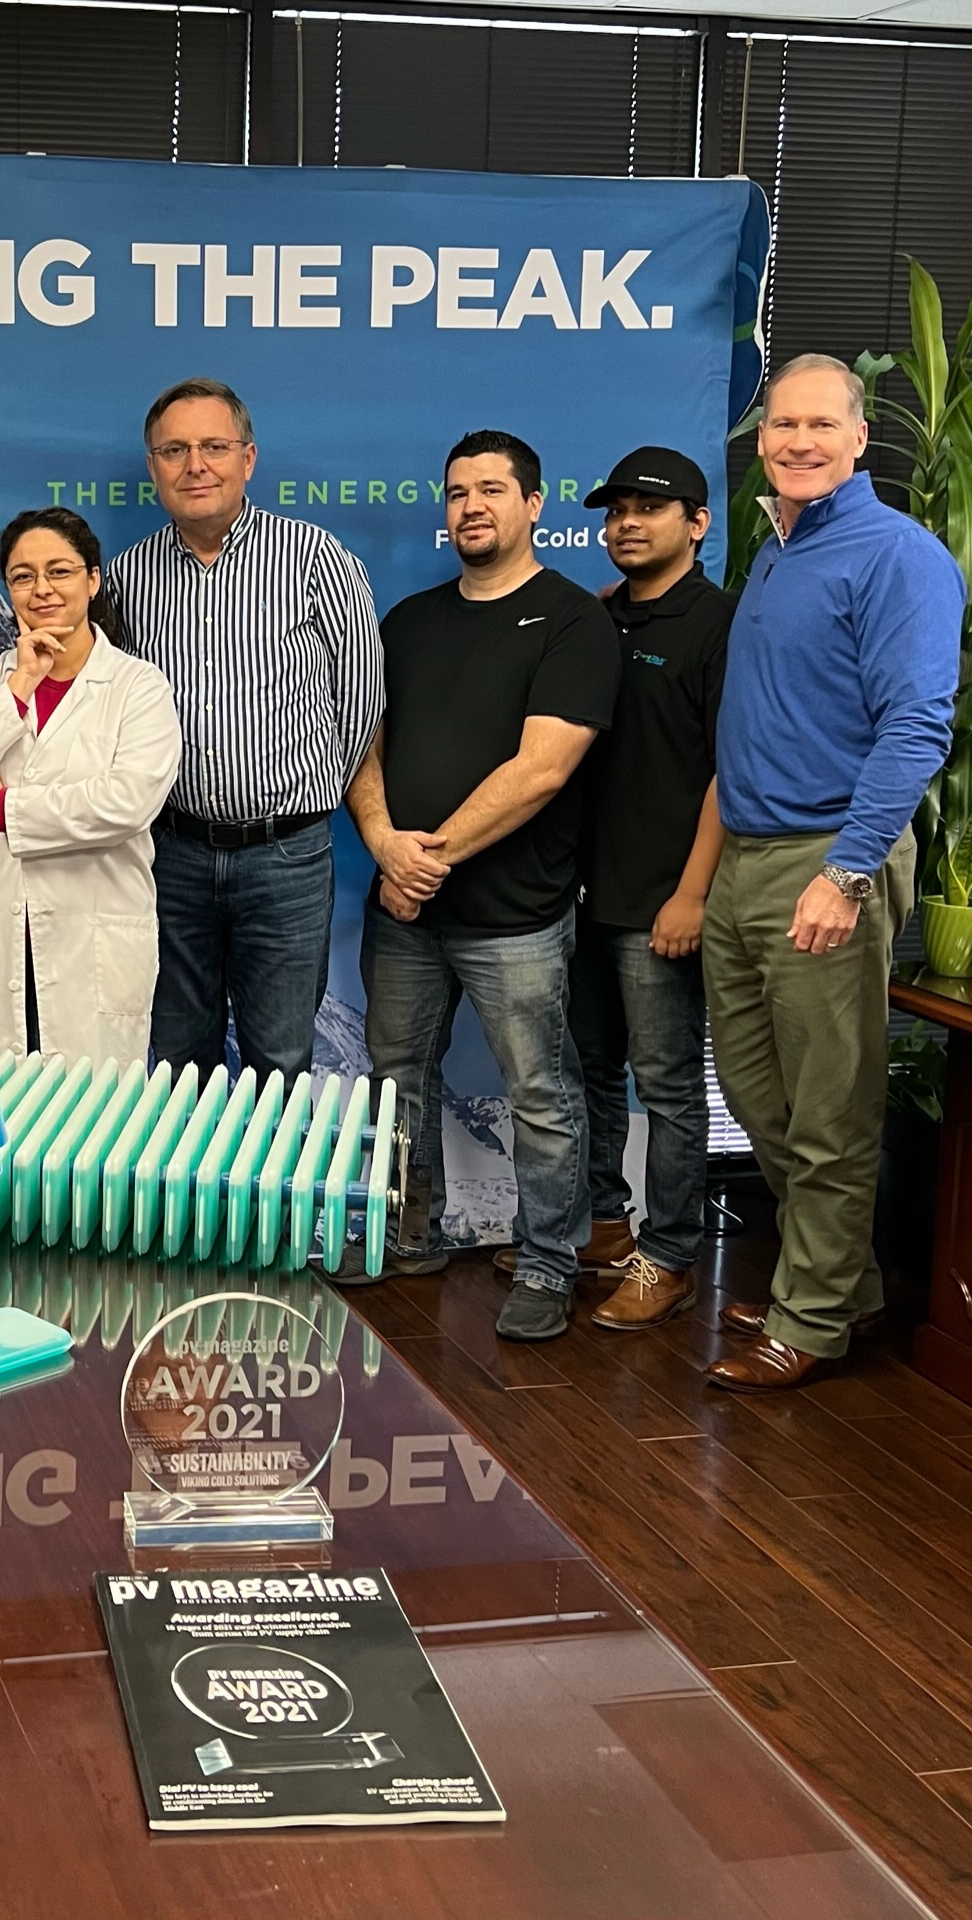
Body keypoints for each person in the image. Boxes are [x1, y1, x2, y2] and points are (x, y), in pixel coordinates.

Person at [703, 355, 961, 1392]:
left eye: (820, 424)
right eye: (782, 424)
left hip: (826, 858)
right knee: (756, 1094)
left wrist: (847, 872)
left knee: (828, 1109)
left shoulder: (897, 555)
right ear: (761, 438)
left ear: (859, 438)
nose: (798, 441)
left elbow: (916, 725)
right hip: (746, 858)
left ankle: (810, 1320)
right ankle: (842, 1282)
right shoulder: (781, 549)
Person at [348, 429, 620, 1341]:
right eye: (458, 491)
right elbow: (361, 743)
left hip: (516, 918)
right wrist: (383, 844)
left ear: (532, 505)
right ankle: (409, 1234)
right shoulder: (407, 622)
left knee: (540, 1096)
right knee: (396, 1084)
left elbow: (542, 770)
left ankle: (547, 1263)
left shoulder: (574, 622)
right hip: (403, 913)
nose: (471, 506)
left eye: (492, 490)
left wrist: (425, 859)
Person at [496, 447, 731, 1331]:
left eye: (649, 509)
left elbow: (730, 772)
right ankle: (601, 1224)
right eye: (616, 511)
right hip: (574, 896)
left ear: (696, 524)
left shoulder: (719, 623)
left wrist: (692, 894)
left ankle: (668, 1255)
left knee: (665, 1086)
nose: (627, 524)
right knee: (586, 1071)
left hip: (658, 901)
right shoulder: (591, 619)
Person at [102, 377, 382, 1080]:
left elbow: (361, 701)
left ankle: (272, 1162)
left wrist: (301, 795)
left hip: (285, 858)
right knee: (175, 1061)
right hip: (169, 857)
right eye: (174, 450)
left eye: (214, 446)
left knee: (280, 1061)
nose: (195, 465)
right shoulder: (125, 578)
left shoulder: (316, 560)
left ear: (248, 459)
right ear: (153, 468)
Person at [0, 508, 180, 1061]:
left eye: (60, 571)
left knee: (91, 1111)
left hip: (92, 950)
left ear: (93, 579)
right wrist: (22, 682)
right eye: (23, 576)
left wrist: (1, 801)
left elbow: (125, 803)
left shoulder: (138, 687)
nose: (42, 589)